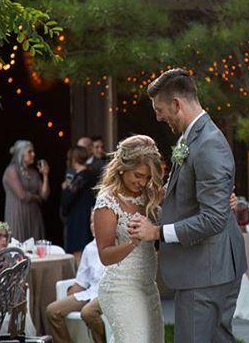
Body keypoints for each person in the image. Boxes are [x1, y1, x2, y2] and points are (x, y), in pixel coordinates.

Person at [128, 68, 247, 342]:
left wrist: (157, 233)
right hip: (209, 268)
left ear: (177, 104)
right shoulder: (193, 137)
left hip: (204, 272)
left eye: (159, 109)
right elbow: (195, 201)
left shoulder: (207, 145)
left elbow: (214, 219)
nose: (158, 116)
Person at [93, 135, 164, 342]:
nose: (142, 182)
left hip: (148, 286)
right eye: (138, 175)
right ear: (123, 167)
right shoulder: (108, 201)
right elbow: (105, 256)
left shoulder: (149, 195)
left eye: (148, 178)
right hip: (120, 288)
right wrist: (133, 241)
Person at [46, 213, 105, 343]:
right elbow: (81, 283)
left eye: (97, 222)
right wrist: (67, 298)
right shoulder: (89, 248)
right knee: (52, 311)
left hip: (107, 293)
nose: (93, 226)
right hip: (90, 293)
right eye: (91, 222)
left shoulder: (115, 245)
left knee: (87, 313)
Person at [3, 140, 50, 242]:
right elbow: (22, 195)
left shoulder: (34, 173)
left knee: (35, 246)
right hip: (18, 214)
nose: (33, 154)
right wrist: (36, 197)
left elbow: (44, 195)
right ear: (21, 153)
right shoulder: (11, 171)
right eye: (30, 152)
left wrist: (45, 175)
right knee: (18, 246)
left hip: (34, 215)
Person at [61, 146, 98, 265]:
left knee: (79, 254)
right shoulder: (91, 174)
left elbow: (68, 198)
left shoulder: (81, 176)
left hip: (78, 220)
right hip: (87, 216)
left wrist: (65, 189)